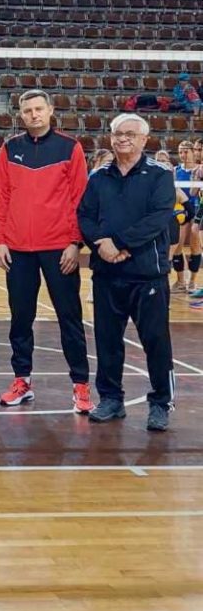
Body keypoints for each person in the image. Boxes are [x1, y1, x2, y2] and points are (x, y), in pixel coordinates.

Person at [0, 89, 91, 413]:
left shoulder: (69, 147)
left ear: (50, 111)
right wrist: (0, 240)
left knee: (69, 318)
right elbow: (1, 196)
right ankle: (22, 380)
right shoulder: (10, 148)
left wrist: (75, 243)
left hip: (59, 248)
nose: (33, 115)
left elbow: (80, 198)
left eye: (38, 109)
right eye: (27, 110)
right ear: (20, 114)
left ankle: (80, 385)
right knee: (21, 318)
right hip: (18, 248)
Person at [78, 114, 175, 431]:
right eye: (117, 133)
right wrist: (100, 245)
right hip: (107, 272)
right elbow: (85, 216)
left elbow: (159, 217)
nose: (122, 138)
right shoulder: (99, 176)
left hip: (148, 274)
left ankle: (161, 403)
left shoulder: (159, 174)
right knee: (107, 341)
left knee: (156, 342)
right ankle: (111, 399)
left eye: (130, 134)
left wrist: (119, 243)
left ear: (144, 139)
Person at [171, 141, 200, 292]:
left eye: (186, 151)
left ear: (193, 152)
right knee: (177, 246)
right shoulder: (175, 170)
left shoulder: (200, 170)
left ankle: (193, 282)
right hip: (181, 212)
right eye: (180, 152)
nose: (183, 155)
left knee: (195, 246)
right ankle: (180, 281)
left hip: (197, 210)